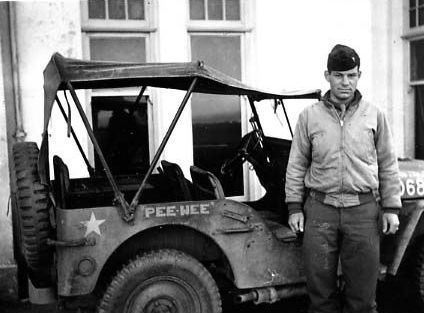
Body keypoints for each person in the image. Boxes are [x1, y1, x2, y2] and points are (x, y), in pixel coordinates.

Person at [285, 44, 401, 313]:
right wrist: (293, 207)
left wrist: (392, 208)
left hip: (362, 211)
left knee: (362, 297)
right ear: (327, 76)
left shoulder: (374, 115)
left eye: (351, 75)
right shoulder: (309, 117)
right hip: (320, 210)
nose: (345, 82)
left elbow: (387, 162)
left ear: (359, 75)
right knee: (320, 296)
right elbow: (296, 164)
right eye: (338, 75)